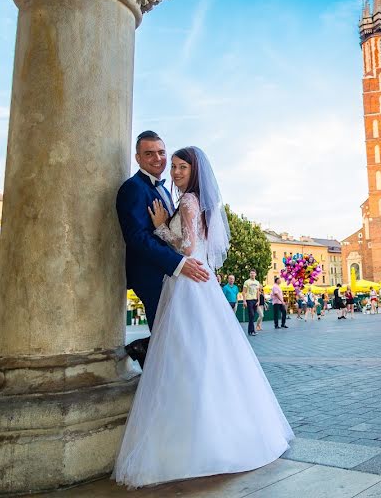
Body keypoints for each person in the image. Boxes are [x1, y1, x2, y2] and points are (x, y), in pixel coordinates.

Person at [113, 146, 293, 488]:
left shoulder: (188, 201)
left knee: (186, 353)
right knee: (201, 352)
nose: (176, 171)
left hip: (189, 281)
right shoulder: (190, 199)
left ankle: (191, 434)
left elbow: (187, 246)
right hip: (194, 280)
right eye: (175, 166)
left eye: (182, 166)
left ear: (194, 171)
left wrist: (160, 228)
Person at [116, 131, 211, 368]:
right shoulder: (133, 188)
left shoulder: (169, 192)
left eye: (161, 152)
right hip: (152, 275)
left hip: (173, 273)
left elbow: (177, 235)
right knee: (173, 338)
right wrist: (179, 264)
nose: (157, 158)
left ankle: (147, 349)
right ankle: (150, 356)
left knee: (180, 337)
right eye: (149, 153)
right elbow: (137, 237)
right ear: (137, 158)